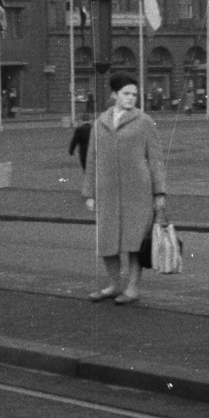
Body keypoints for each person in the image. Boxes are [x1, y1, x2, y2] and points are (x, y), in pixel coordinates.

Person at [83, 71, 167, 305]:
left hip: (137, 192)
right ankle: (114, 284)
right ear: (114, 95)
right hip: (107, 192)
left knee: (134, 243)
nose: (131, 98)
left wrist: (159, 193)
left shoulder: (144, 122)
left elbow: (156, 159)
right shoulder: (100, 123)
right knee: (108, 243)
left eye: (135, 95)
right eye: (126, 94)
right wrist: (89, 193)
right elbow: (91, 159)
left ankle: (132, 288)